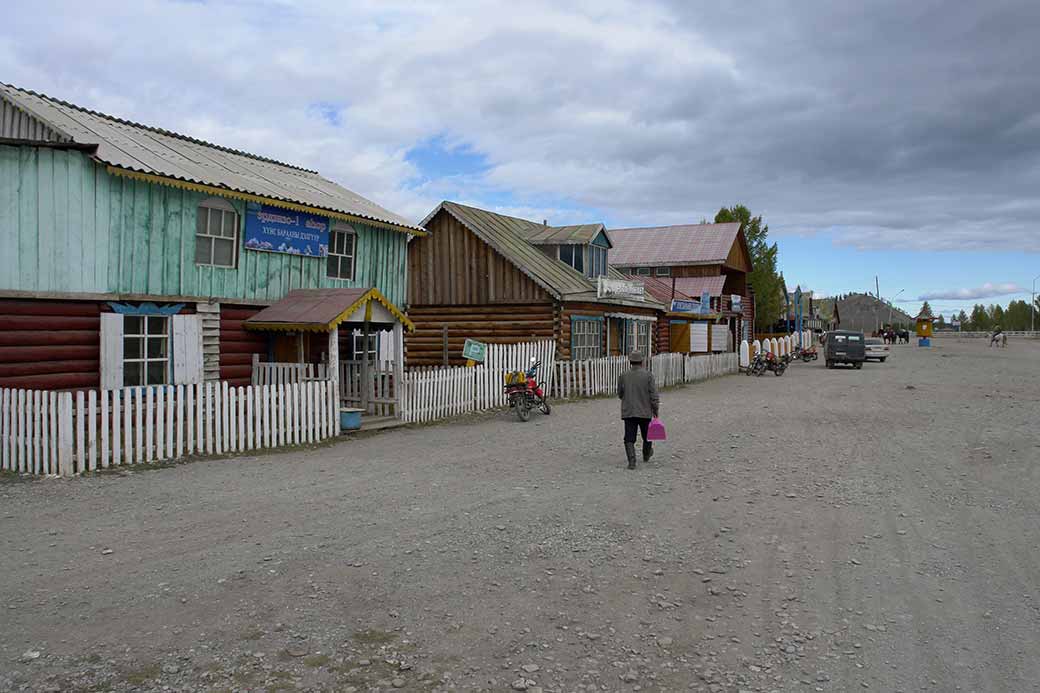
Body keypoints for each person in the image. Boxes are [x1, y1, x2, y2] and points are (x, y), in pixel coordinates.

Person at [617, 351, 660, 470]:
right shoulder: (648, 375)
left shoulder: (623, 375)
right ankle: (646, 454)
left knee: (629, 437)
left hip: (629, 411)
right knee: (647, 435)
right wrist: (655, 409)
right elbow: (653, 395)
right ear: (642, 361)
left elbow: (620, 393)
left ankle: (632, 461)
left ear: (630, 362)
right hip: (645, 411)